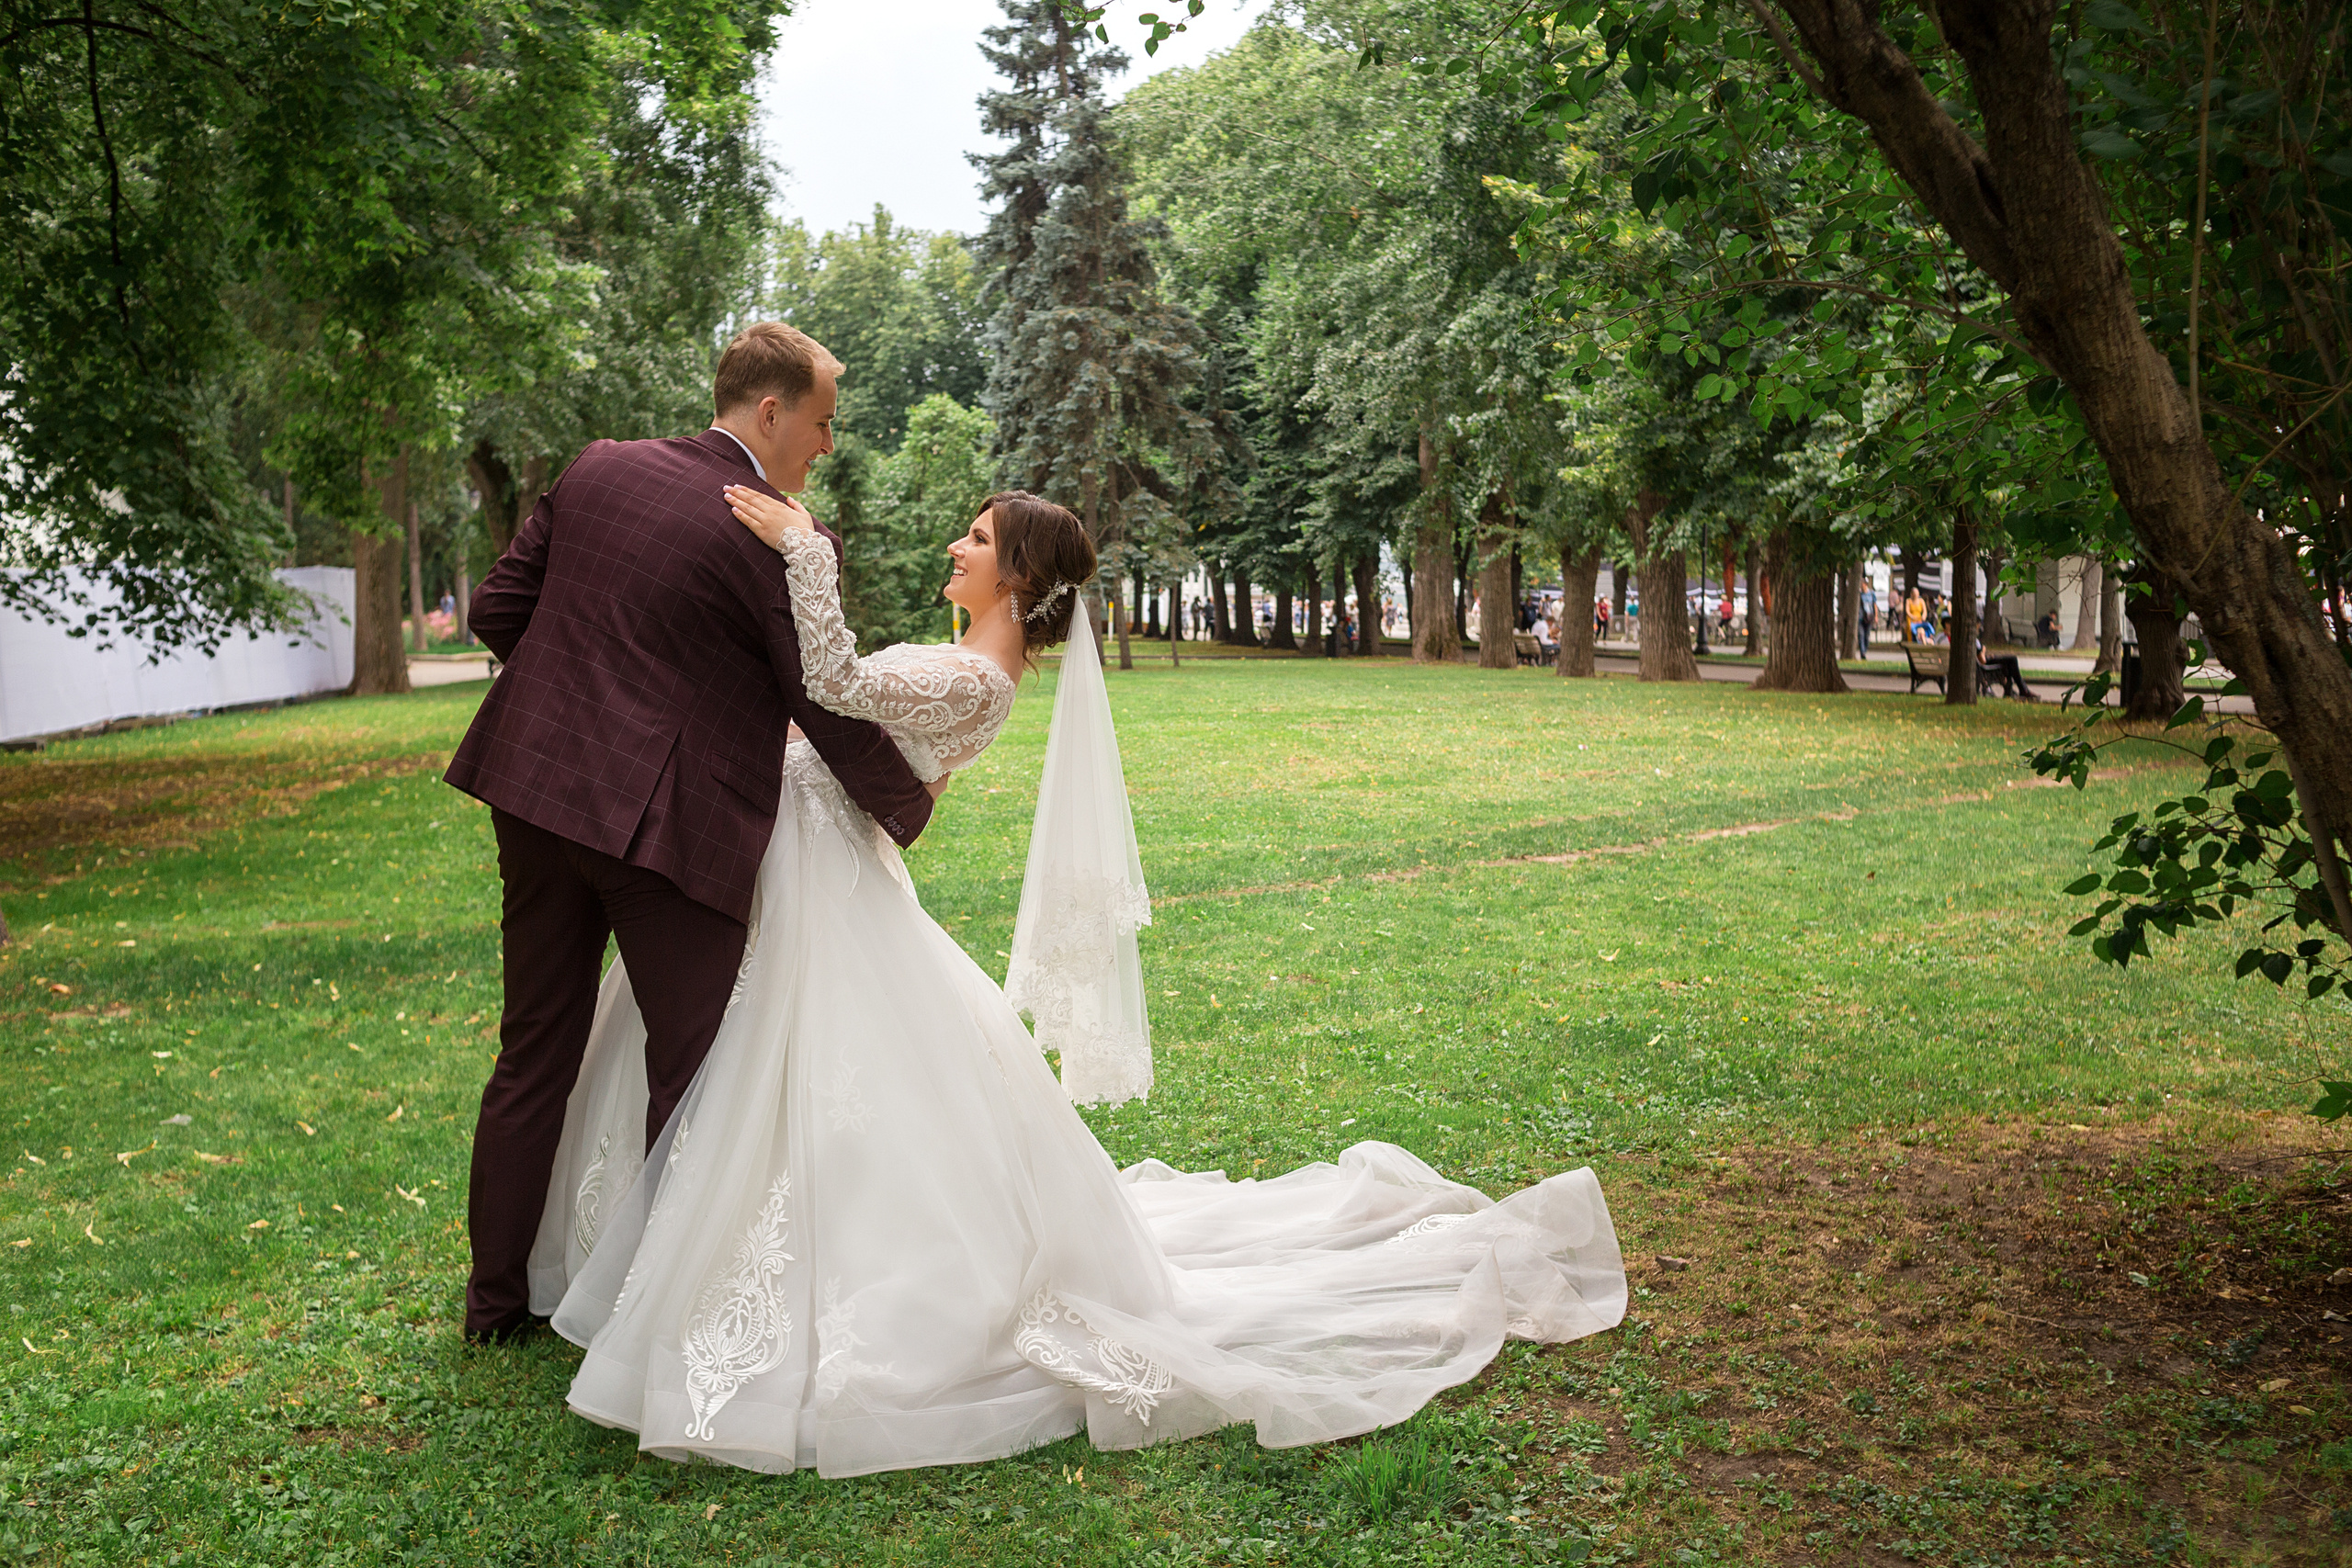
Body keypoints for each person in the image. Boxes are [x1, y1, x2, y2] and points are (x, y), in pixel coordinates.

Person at [523, 486, 1627, 1478]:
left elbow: (834, 682)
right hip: (796, 863)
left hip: (813, 882)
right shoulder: (966, 658)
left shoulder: (973, 676)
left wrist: (806, 550)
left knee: (791, 1079)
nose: (956, 546)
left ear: (1020, 578)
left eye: (978, 538)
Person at [446, 322, 941, 1346]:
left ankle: (495, 1305)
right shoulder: (779, 536)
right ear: (770, 412)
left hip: (536, 797)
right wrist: (906, 803)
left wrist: (576, 692)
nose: (826, 446)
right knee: (697, 1072)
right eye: (822, 423)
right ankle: (655, 1310)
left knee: (533, 1048)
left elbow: (498, 608)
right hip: (667, 831)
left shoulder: (596, 470)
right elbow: (822, 697)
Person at [1978, 636, 2037, 700]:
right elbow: (1983, 661)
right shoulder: (1975, 641)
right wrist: (1983, 650)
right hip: (1986, 664)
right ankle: (2022, 689)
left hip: (1986, 661)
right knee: (2012, 660)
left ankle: (2015, 690)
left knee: (2010, 661)